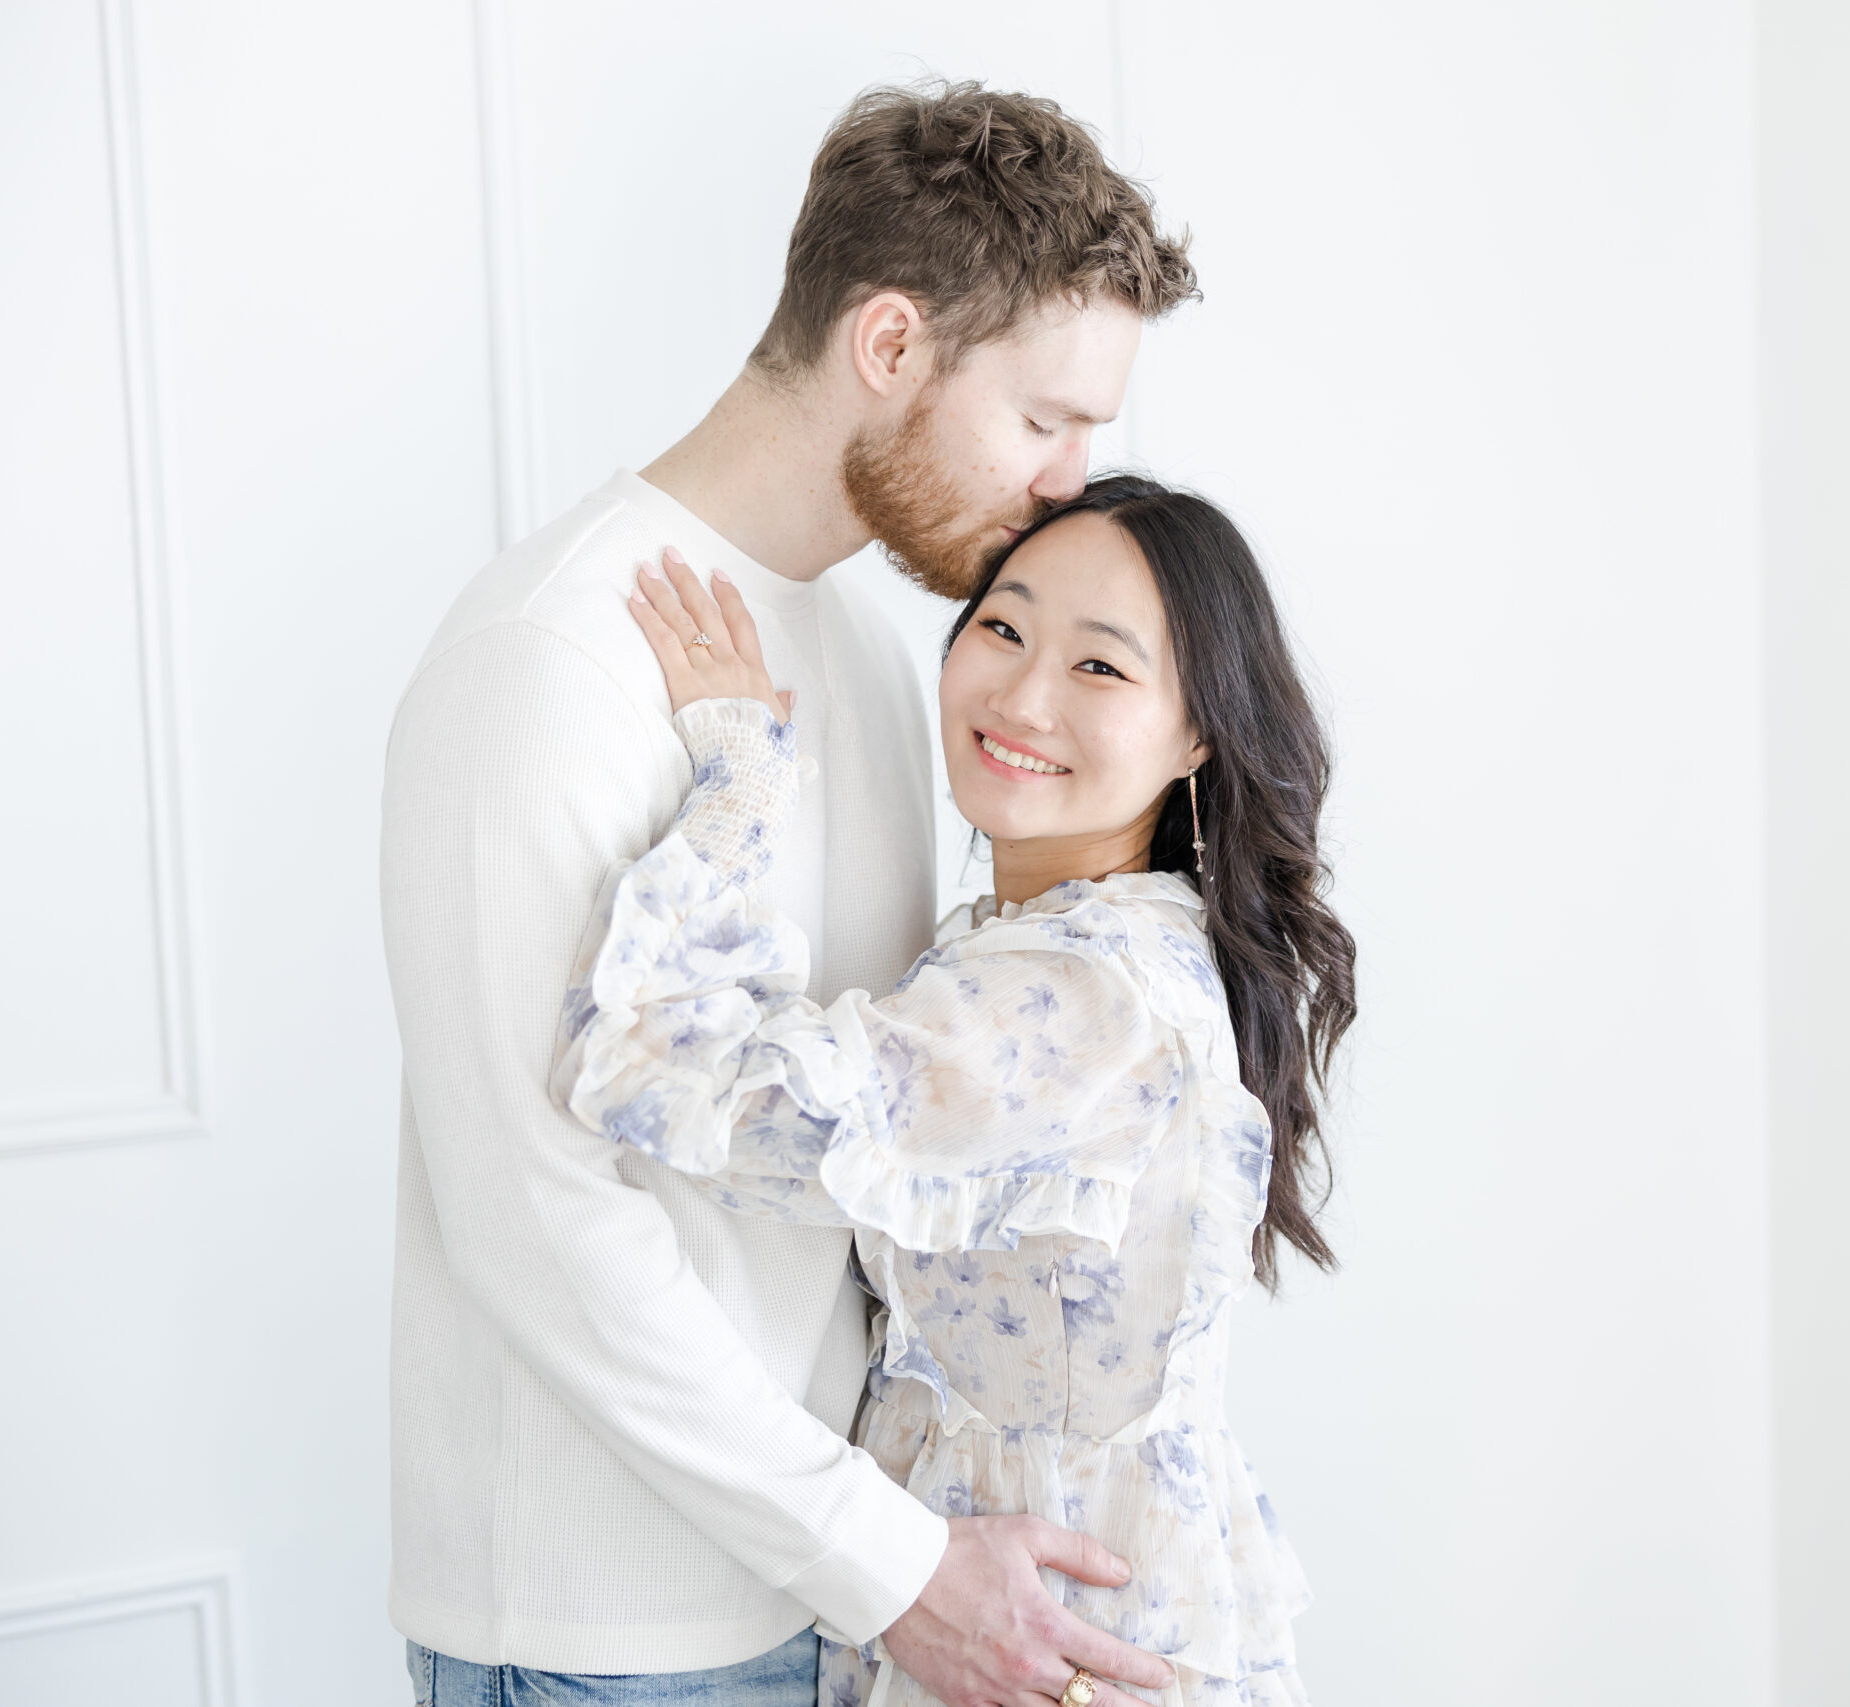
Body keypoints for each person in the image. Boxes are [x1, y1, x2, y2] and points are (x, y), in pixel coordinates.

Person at [381, 83, 1195, 1706]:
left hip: (829, 1596)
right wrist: (893, 1569)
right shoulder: (551, 656)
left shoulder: (884, 661)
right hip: (612, 1640)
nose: (1069, 483)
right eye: (1045, 420)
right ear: (890, 347)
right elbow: (537, 1216)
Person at [553, 475, 1352, 1707]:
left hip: (1048, 1639)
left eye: (1101, 668)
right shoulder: (1080, 943)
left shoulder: (1080, 996)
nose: (1024, 696)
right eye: (1003, 627)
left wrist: (742, 787)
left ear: (1198, 734)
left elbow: (653, 1070)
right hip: (1041, 1614)